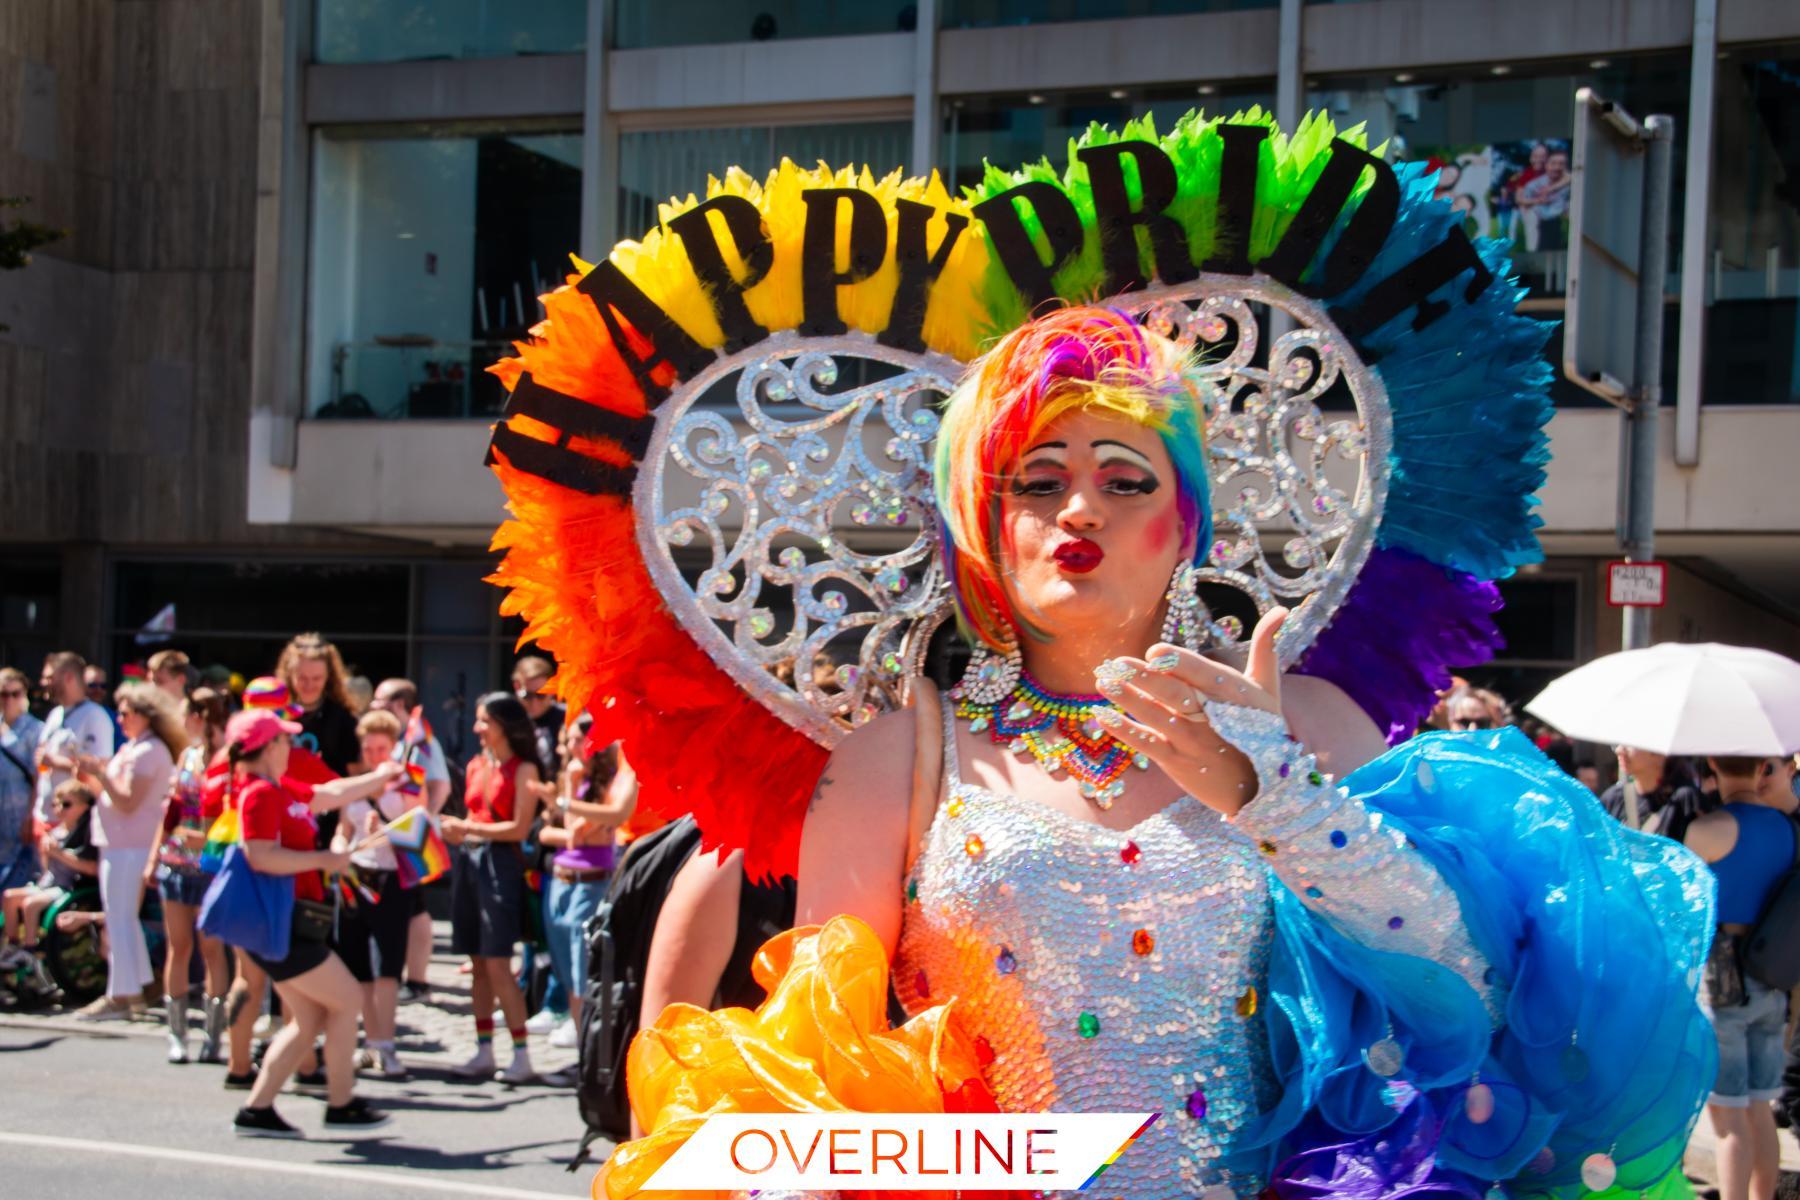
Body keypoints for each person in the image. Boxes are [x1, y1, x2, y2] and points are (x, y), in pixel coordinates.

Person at [592, 306, 1715, 1199]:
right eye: (1038, 479)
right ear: (987, 528)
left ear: (1184, 526)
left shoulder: (1304, 722)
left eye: (1126, 480)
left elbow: (1466, 989)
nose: (1081, 505)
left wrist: (1273, 797)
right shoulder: (901, 757)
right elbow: (821, 1078)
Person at [225, 708, 398, 1138]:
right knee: (346, 1000)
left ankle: (259, 1109)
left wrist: (381, 776)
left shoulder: (276, 788)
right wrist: (326, 859)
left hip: (290, 924)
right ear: (268, 748)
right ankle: (340, 1102)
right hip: (283, 925)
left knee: (309, 1017)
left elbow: (329, 793)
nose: (292, 747)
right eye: (285, 741)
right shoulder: (260, 794)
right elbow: (260, 855)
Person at [1685, 755, 1800, 1200]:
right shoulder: (1789, 830)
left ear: (1712, 765)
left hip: (1722, 987)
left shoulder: (1706, 830)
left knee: (1728, 1123)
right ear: (1761, 770)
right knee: (1759, 1111)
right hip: (1772, 980)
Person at [441, 692, 541, 1083]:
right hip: (470, 861)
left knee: (499, 962)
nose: (477, 728)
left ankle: (521, 1054)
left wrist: (466, 828)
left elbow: (519, 828)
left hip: (501, 864)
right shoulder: (475, 765)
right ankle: (484, 1050)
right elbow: (472, 813)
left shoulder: (525, 769)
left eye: (484, 720)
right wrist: (461, 832)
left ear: (504, 724)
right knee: (478, 963)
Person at [71, 682, 186, 1020]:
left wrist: (101, 773)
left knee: (120, 919)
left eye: (124, 713)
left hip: (131, 846)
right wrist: (92, 775)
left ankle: (121, 995)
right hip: (120, 843)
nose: (119, 718)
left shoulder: (149, 751)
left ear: (143, 715)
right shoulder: (135, 747)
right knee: (122, 918)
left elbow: (127, 801)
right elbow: (112, 795)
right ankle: (134, 989)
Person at [328, 709, 418, 1080]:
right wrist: (338, 848)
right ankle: (370, 1042)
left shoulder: (407, 786)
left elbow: (418, 835)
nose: (375, 756)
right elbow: (342, 829)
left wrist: (384, 830)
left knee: (387, 967)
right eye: (368, 749)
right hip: (355, 877)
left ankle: (386, 1044)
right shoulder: (356, 784)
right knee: (358, 966)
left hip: (391, 879)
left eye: (381, 748)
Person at [535, 734, 637, 1052]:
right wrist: (569, 788)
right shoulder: (575, 779)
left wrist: (566, 803)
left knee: (584, 970)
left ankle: (587, 1051)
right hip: (561, 878)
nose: (571, 747)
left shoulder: (611, 781)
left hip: (591, 880)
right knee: (566, 967)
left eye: (580, 740)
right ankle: (581, 1048)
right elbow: (557, 832)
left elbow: (598, 823)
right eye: (570, 741)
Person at [153, 686, 233, 1062]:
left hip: (212, 863)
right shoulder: (186, 755)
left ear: (200, 717)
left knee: (212, 948)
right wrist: (154, 855)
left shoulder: (229, 759)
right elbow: (170, 812)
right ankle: (177, 1034)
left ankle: (214, 1035)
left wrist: (212, 837)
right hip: (177, 860)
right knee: (179, 945)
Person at [368, 677, 450, 1004]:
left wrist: (417, 823)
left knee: (416, 908)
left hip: (410, 837)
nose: (373, 707)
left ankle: (417, 980)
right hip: (394, 836)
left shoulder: (420, 741)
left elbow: (439, 786)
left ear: (399, 705)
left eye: (380, 701)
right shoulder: (400, 739)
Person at [0, 779, 98, 969]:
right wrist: (45, 852)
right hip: (49, 882)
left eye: (66, 804)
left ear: (84, 807)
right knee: (9, 897)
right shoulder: (56, 833)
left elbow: (90, 868)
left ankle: (30, 949)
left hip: (68, 886)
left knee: (31, 904)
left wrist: (58, 854)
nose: (60, 809)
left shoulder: (87, 833)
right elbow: (46, 869)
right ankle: (13, 945)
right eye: (56, 804)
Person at [34, 652, 116, 827]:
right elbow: (40, 768)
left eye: (50, 678)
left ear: (68, 677)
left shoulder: (95, 716)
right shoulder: (55, 714)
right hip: (44, 818)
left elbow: (100, 771)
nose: (44, 683)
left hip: (74, 825)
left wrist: (57, 762)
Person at [277, 634, 360, 777]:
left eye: (317, 678)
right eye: (302, 678)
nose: (309, 685)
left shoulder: (343, 717)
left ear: (329, 676)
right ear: (290, 675)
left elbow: (352, 770)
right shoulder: (275, 714)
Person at [1603, 746, 1712, 842]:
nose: (1619, 750)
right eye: (1617, 744)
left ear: (1659, 753)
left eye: (1630, 745)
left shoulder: (1686, 800)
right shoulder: (1613, 798)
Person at [0, 667, 43, 892]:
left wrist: (30, 814)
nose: (8, 700)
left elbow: (40, 775)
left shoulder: (35, 729)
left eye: (14, 694)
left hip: (21, 813)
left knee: (19, 876)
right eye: (3, 694)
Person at [513, 655, 565, 780]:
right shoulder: (512, 721)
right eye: (527, 695)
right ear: (517, 687)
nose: (534, 702)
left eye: (541, 695)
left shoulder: (567, 718)